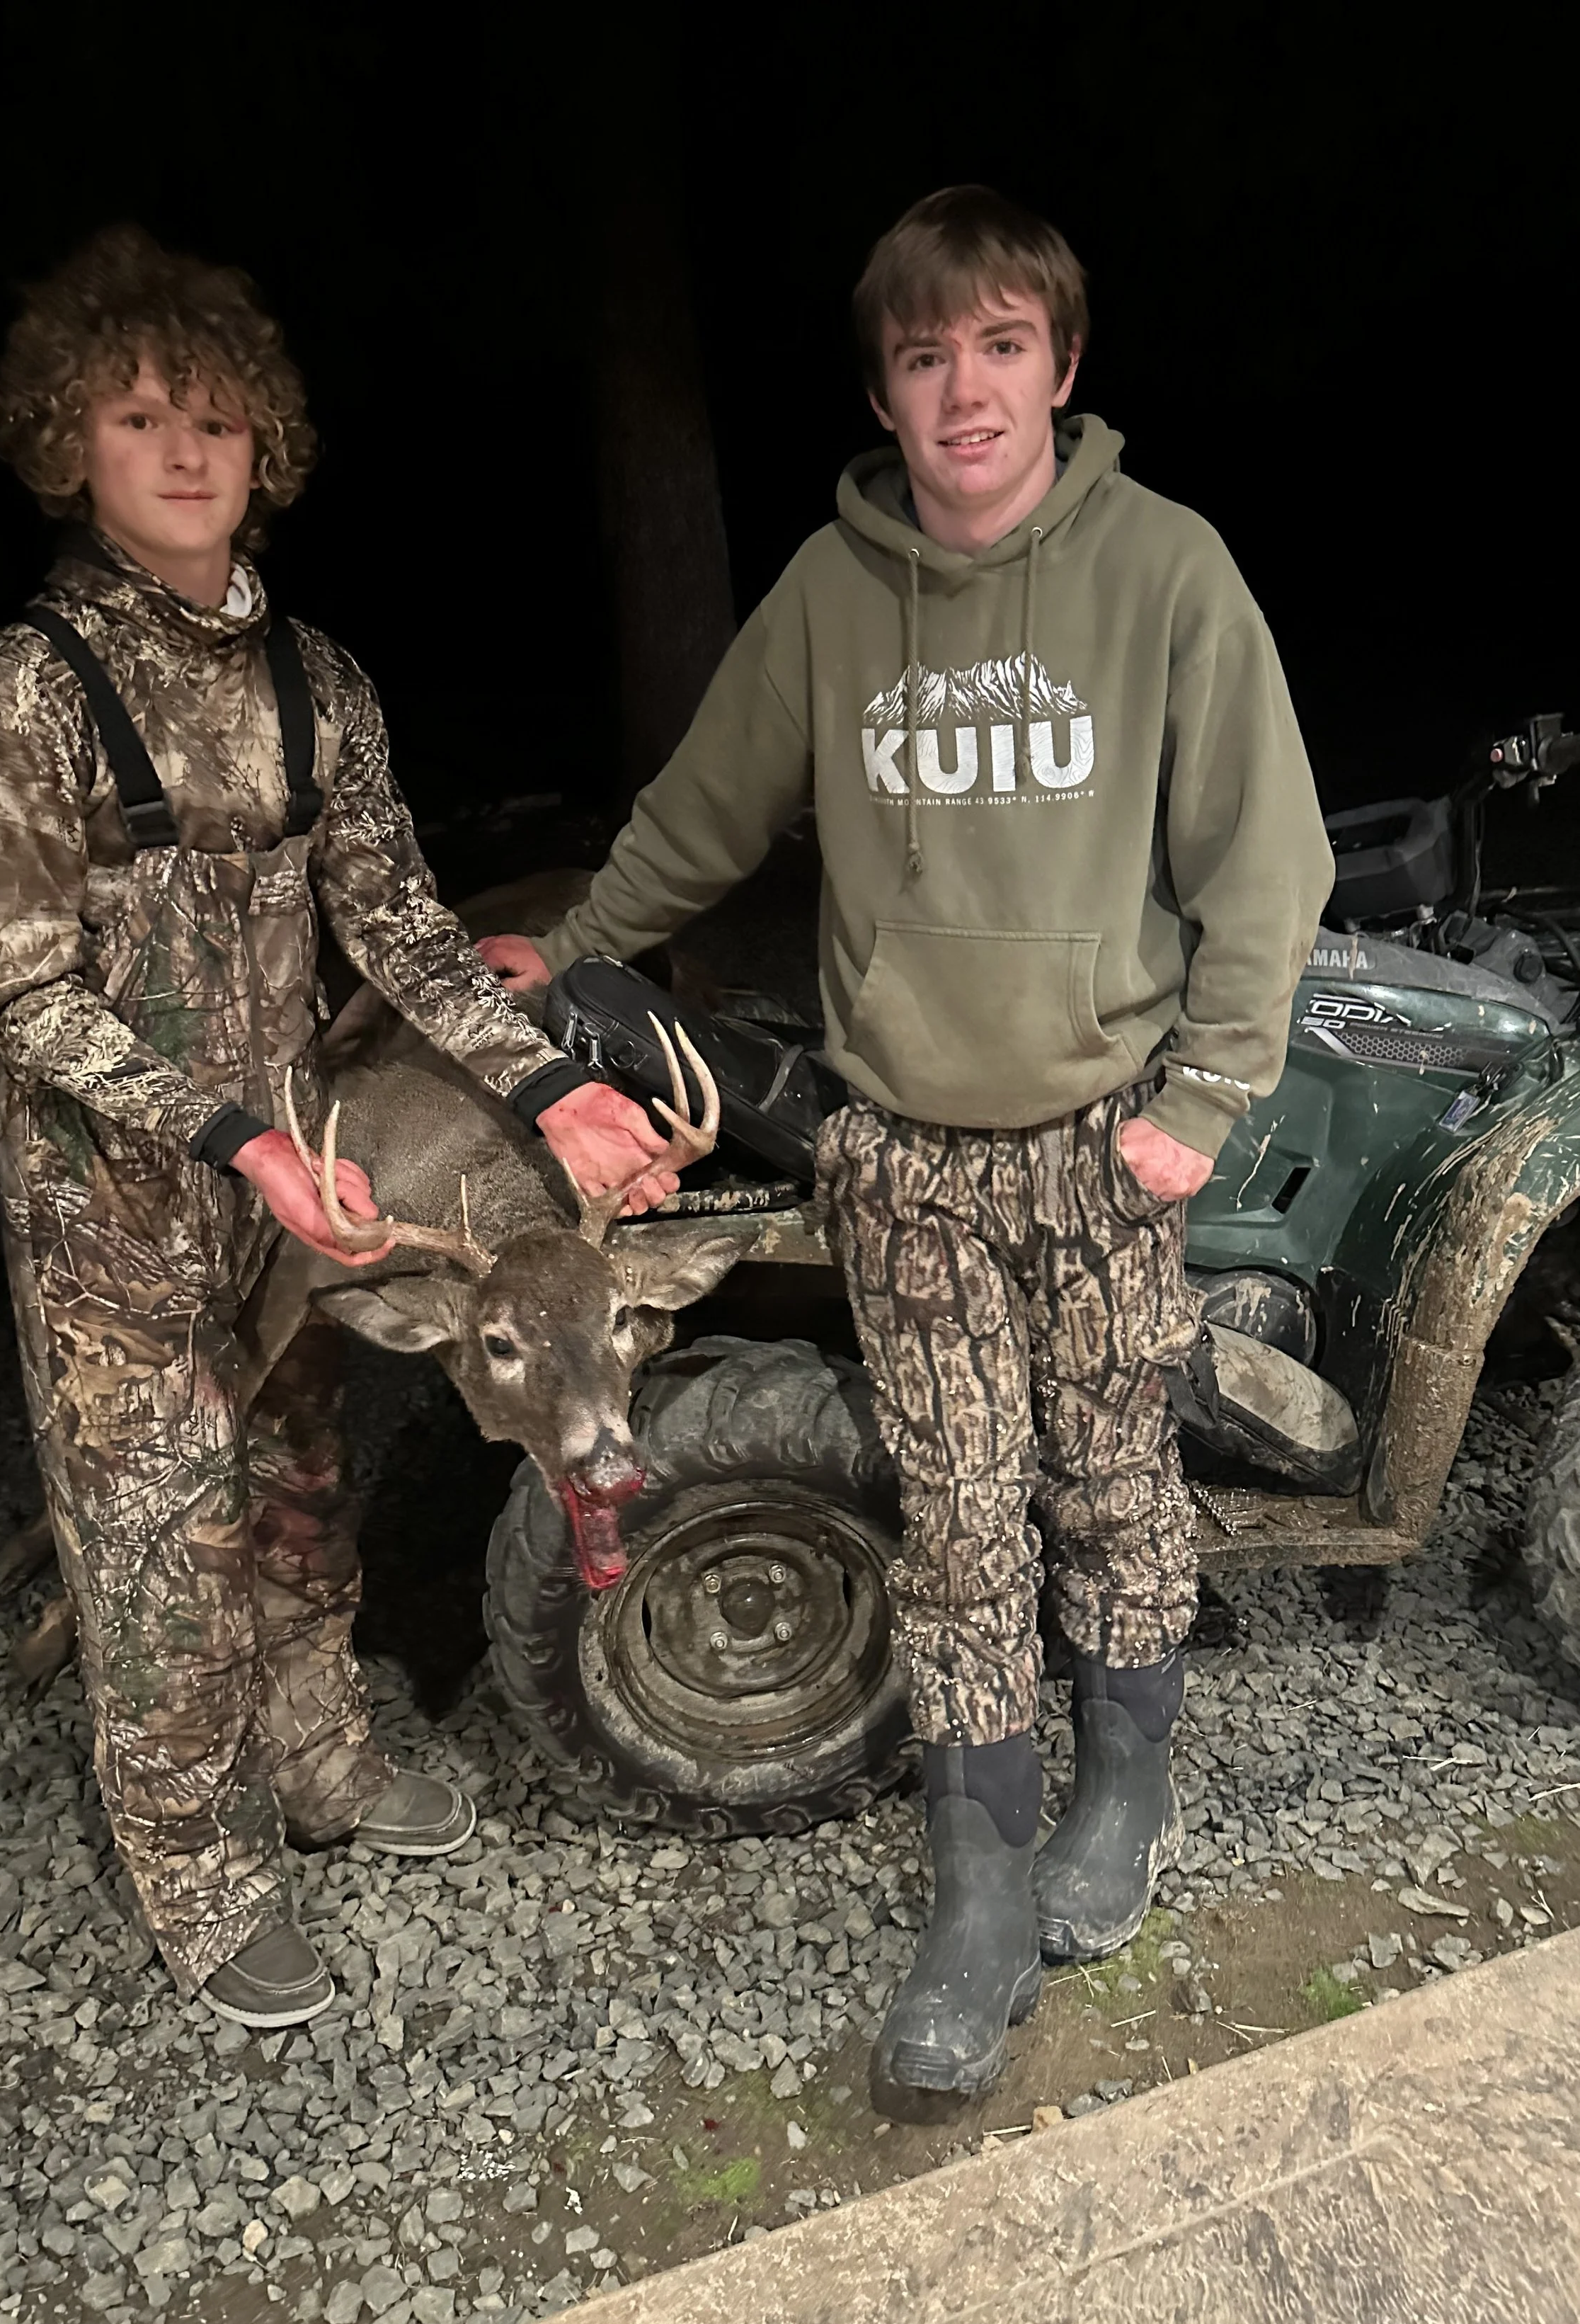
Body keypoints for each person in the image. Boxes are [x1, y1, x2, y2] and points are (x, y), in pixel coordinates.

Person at [481, 185, 1334, 2102]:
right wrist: (587, 954)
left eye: (1002, 345)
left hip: (1106, 1146)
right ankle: (972, 1887)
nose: (965, 389)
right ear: (882, 385)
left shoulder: (1164, 572)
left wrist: (1199, 1103)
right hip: (908, 1163)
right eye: (925, 353)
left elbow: (1264, 863)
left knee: (1113, 1492)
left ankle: (1116, 1798)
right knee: (957, 1522)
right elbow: (703, 811)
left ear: (1062, 363)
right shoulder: (828, 593)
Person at [0, 227, 668, 2029]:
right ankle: (195, 1868)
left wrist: (556, 1082)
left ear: (267, 451)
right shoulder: (10, 696)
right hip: (119, 1205)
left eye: (220, 421)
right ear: (65, 445)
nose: (186, 454)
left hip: (302, 1182)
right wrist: (229, 1136)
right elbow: (21, 997)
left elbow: (402, 931)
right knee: (158, 1534)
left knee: (300, 1489)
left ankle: (325, 1762)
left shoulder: (316, 683)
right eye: (138, 418)